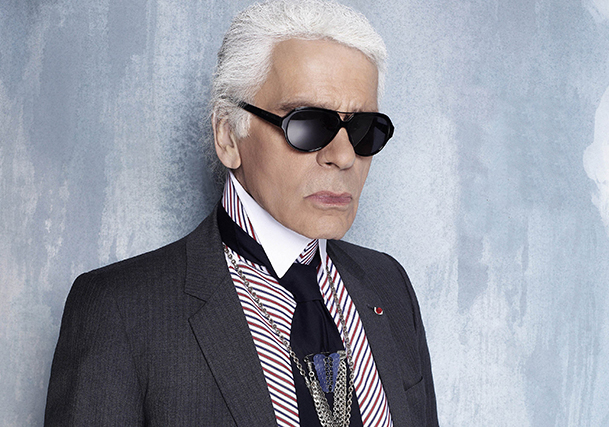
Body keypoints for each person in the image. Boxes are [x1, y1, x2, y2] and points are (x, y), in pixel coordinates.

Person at [44, 1, 438, 426]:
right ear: (228, 136)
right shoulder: (122, 309)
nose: (343, 156)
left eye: (363, 130)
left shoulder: (388, 285)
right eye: (308, 124)